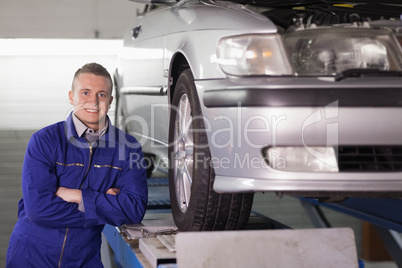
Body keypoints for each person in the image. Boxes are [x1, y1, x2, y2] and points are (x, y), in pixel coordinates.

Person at [6, 63, 148, 267]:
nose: (93, 101)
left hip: (84, 259)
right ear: (71, 97)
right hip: (30, 255)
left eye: (101, 94)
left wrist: (77, 196)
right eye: (85, 93)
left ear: (110, 100)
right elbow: (37, 210)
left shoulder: (128, 147)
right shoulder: (44, 140)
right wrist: (103, 208)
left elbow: (133, 210)